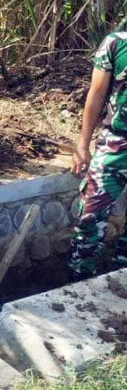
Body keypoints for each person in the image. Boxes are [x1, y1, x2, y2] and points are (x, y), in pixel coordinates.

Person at [70, 31, 127, 280]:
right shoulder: (116, 43)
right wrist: (83, 145)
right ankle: (79, 281)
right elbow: (96, 94)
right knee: (90, 216)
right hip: (116, 143)